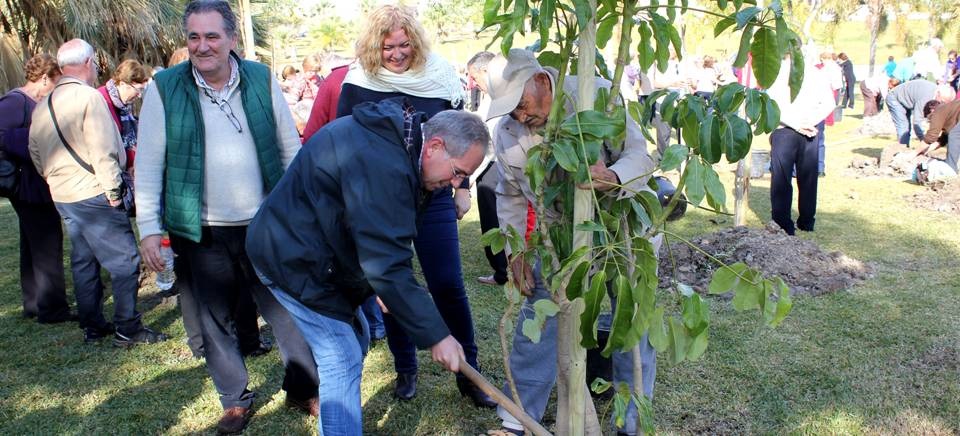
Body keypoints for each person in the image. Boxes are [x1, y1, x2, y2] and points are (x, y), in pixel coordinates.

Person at [246, 103, 487, 434]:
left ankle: (313, 395)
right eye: (458, 172)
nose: (456, 183)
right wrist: (438, 336)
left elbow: (383, 240)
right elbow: (386, 264)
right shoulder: (384, 165)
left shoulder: (404, 150)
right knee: (341, 356)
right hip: (289, 256)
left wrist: (382, 287)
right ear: (434, 146)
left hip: (320, 253)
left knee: (354, 342)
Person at [135, 1, 319, 433]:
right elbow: (147, 164)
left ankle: (303, 388)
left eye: (212, 36)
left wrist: (299, 215)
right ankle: (234, 400)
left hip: (264, 224)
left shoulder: (260, 79)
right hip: (200, 230)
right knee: (213, 321)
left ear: (232, 40)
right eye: (194, 37)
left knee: (286, 312)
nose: (202, 46)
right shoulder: (164, 88)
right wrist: (148, 228)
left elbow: (290, 149)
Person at [484, 48, 658, 436]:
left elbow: (641, 157)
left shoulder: (597, 95)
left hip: (620, 230)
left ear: (543, 82)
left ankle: (632, 426)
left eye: (523, 105)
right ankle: (518, 420)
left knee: (632, 327)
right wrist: (516, 251)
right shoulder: (508, 132)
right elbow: (510, 194)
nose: (520, 116)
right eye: (511, 110)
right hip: (558, 236)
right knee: (538, 314)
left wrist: (612, 176)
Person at [334, 4, 494, 408]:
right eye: (388, 46)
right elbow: (347, 141)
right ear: (375, 45)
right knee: (391, 281)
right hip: (381, 202)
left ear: (416, 42)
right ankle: (405, 366)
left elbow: (466, 138)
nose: (397, 53)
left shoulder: (438, 75)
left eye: (404, 44)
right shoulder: (359, 80)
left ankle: (469, 372)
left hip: (436, 196)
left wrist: (463, 189)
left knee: (447, 282)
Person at [29, 39, 167, 345]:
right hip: (95, 192)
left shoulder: (44, 104)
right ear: (89, 63)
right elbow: (103, 148)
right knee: (125, 260)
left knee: (84, 259)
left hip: (64, 194)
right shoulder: (88, 98)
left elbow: (35, 153)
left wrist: (54, 178)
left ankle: (92, 324)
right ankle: (127, 326)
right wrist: (114, 191)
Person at [0, 54, 71, 324]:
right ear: (44, 78)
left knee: (33, 242)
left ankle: (34, 303)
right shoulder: (16, 102)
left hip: (34, 181)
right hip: (24, 183)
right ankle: (53, 308)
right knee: (47, 241)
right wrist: (34, 142)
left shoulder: (30, 102)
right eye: (55, 83)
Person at [767, 55, 838, 235]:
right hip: (808, 128)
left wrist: (800, 123)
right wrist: (810, 121)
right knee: (808, 178)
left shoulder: (777, 70)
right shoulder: (816, 72)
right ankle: (806, 221)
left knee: (781, 178)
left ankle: (783, 223)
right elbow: (830, 103)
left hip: (787, 128)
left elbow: (771, 104)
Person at [466, 50, 508, 286]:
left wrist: (471, 174)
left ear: (485, 71)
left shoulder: (499, 93)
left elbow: (490, 142)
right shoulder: (493, 93)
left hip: (494, 166)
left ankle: (503, 272)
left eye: (476, 78)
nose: (476, 85)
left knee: (494, 220)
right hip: (495, 163)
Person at [97, 59, 149, 180]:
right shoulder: (101, 100)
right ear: (122, 84)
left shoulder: (124, 105)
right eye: (138, 90)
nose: (139, 95)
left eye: (142, 90)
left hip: (127, 171)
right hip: (109, 174)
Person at [886, 81, 956, 147]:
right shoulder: (926, 97)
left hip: (906, 100)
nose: (942, 104)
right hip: (895, 98)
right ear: (938, 94)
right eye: (942, 101)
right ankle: (901, 152)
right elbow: (917, 122)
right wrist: (924, 143)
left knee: (906, 127)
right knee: (903, 126)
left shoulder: (934, 95)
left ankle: (905, 149)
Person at [912, 99, 960, 181]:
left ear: (931, 110)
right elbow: (943, 140)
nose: (931, 122)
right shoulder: (950, 111)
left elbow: (931, 136)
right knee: (953, 135)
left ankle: (950, 169)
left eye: (930, 119)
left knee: (954, 135)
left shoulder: (938, 111)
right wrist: (924, 151)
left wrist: (913, 154)